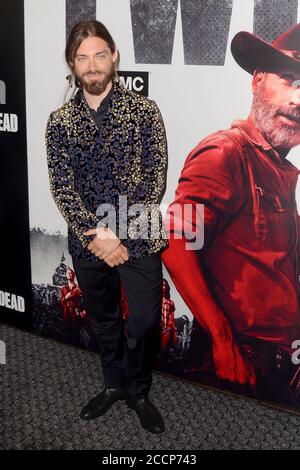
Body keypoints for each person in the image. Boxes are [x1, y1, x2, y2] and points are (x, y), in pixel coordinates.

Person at [162, 23, 300, 406]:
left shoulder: (278, 170)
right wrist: (223, 343)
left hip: (281, 366)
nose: (298, 99)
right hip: (235, 362)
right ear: (257, 81)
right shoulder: (226, 153)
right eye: (288, 79)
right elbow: (174, 242)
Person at [46, 20, 168, 433]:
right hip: (90, 243)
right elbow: (62, 188)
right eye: (82, 58)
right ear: (72, 64)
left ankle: (138, 390)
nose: (92, 65)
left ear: (114, 56)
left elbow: (153, 180)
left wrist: (121, 237)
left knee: (146, 321)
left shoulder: (145, 112)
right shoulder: (59, 122)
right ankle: (114, 384)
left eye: (100, 55)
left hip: (137, 238)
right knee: (103, 320)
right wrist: (97, 237)